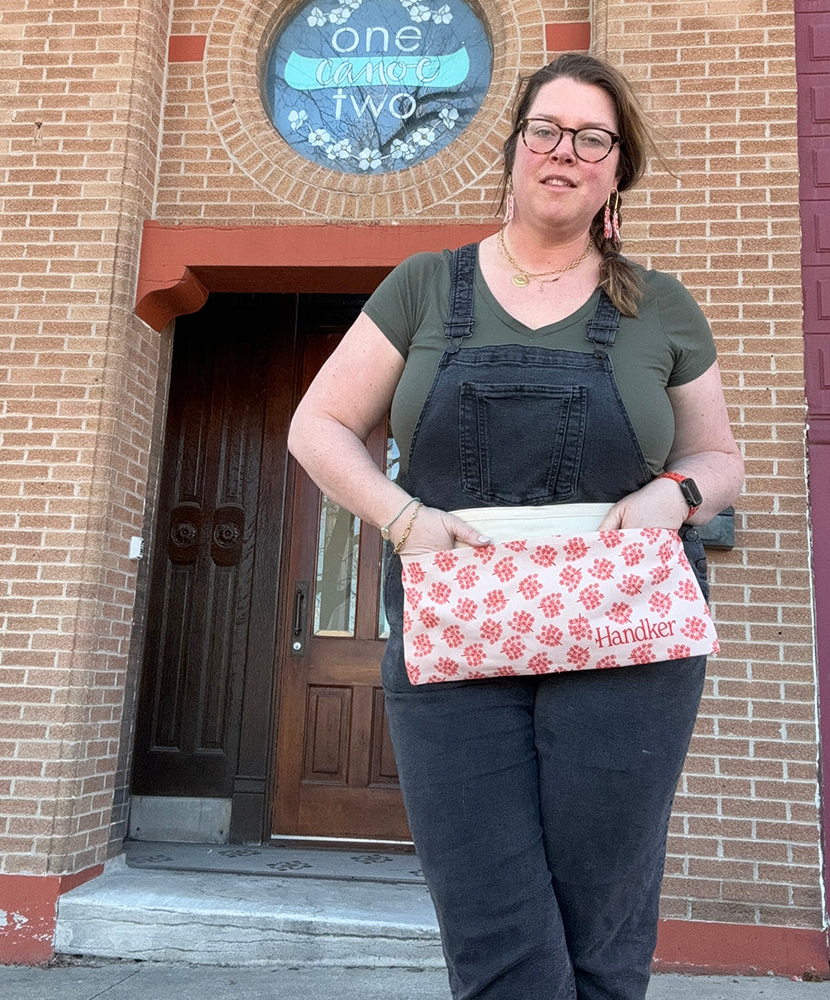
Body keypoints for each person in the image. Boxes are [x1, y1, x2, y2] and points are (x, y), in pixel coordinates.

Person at [288, 52, 744, 1000]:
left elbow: (719, 458)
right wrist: (403, 518)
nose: (564, 152)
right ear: (514, 149)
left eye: (593, 138)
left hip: (628, 636)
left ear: (618, 169)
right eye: (546, 130)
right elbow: (317, 426)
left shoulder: (660, 306)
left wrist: (677, 497)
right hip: (456, 632)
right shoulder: (422, 287)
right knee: (493, 919)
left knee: (601, 915)